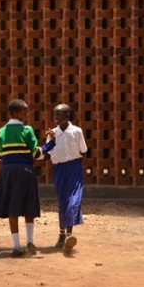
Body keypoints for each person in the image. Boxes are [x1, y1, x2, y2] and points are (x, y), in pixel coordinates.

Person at [0, 99, 51, 257]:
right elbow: (36, 154)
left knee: (12, 206)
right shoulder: (27, 130)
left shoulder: (2, 131)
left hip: (8, 172)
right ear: (17, 113)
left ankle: (16, 246)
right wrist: (51, 144)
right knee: (28, 204)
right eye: (25, 112)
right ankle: (30, 241)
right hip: (25, 171)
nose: (27, 114)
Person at [43, 103, 88, 252]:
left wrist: (75, 164)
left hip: (74, 168)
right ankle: (62, 234)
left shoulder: (76, 131)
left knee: (73, 200)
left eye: (59, 114)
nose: (55, 117)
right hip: (59, 169)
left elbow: (83, 151)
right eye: (54, 114)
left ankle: (69, 234)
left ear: (68, 116)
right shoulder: (52, 133)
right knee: (62, 202)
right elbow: (47, 154)